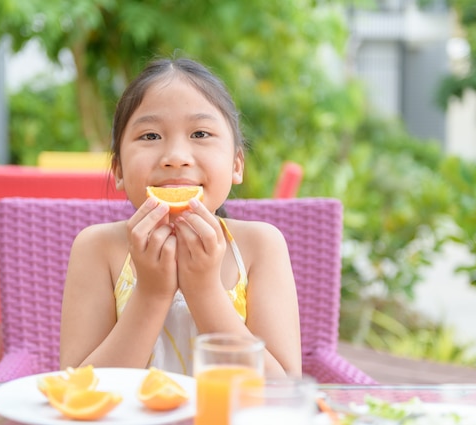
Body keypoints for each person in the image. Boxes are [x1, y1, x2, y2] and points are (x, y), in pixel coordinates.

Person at [59, 57, 301, 378]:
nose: (175, 158)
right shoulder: (97, 248)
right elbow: (78, 388)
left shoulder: (261, 245)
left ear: (236, 165)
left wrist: (203, 289)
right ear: (118, 170)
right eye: (150, 136)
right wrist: (151, 292)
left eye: (200, 134)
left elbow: (282, 388)